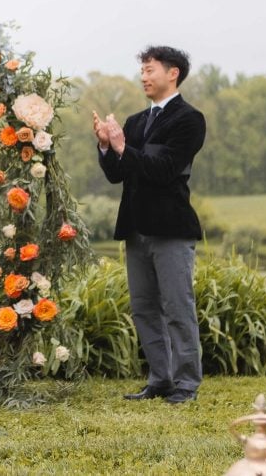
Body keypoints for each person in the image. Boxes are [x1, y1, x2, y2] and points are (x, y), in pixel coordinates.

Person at [93, 45, 206, 405]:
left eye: (150, 70)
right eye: (142, 71)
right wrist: (107, 148)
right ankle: (160, 379)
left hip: (171, 228)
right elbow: (117, 175)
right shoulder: (136, 121)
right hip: (135, 228)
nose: (144, 76)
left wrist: (125, 149)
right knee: (144, 307)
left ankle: (187, 383)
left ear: (173, 73)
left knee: (177, 306)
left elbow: (164, 170)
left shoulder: (189, 119)